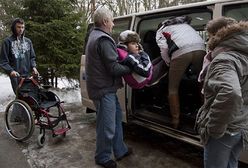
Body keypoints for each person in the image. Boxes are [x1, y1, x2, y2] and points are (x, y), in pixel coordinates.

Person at [195, 17, 248, 168]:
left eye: (210, 36)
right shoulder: (244, 53)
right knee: (231, 163)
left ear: (217, 35)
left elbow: (231, 93)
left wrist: (215, 128)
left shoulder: (224, 59)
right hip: (241, 125)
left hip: (225, 130)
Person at [85, 7, 133, 168]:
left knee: (116, 119)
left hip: (103, 88)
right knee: (107, 126)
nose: (113, 24)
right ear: (105, 21)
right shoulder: (103, 39)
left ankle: (120, 150)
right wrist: (132, 67)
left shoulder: (94, 34)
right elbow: (113, 68)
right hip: (103, 89)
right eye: (112, 20)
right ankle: (103, 157)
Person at [156, 15, 206, 128]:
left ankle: (175, 121)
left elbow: (163, 50)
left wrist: (169, 63)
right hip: (201, 49)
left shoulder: (161, 30)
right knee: (202, 83)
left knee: (173, 88)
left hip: (181, 52)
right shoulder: (186, 26)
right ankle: (206, 115)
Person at [0, 18, 39, 94]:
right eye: (18, 27)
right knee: (21, 96)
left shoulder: (28, 41)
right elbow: (3, 61)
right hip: (16, 76)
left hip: (28, 75)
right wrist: (11, 71)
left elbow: (32, 57)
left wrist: (33, 67)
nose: (21, 29)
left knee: (32, 97)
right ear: (14, 28)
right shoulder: (7, 42)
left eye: (22, 27)